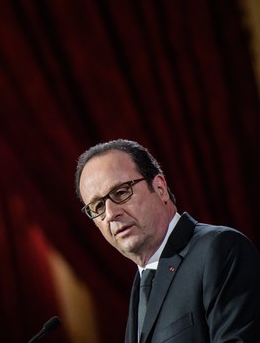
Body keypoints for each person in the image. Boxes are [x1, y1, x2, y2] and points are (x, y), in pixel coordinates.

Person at [74, 139, 260, 343]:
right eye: (98, 207)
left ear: (160, 188)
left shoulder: (219, 249)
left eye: (121, 192)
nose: (110, 214)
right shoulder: (141, 284)